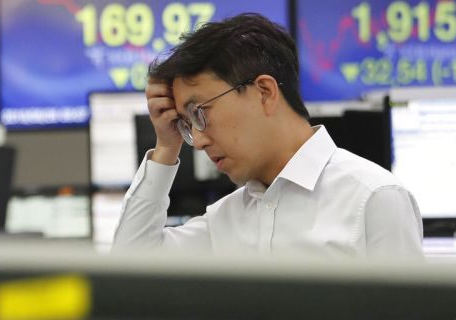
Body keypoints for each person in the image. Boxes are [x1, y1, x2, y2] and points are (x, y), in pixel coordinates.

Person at [114, 13, 423, 258]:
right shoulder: (225, 219)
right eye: (186, 124)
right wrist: (167, 146)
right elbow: (131, 269)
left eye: (199, 112)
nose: (200, 140)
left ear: (264, 92)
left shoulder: (373, 199)